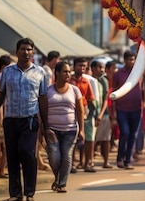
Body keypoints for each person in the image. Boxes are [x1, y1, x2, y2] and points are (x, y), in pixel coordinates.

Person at [0, 38, 48, 201]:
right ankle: (15, 193)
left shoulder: (40, 72)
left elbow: (43, 98)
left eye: (29, 49)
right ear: (17, 52)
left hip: (29, 119)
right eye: (23, 49)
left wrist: (45, 123)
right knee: (12, 155)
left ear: (33, 52)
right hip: (10, 118)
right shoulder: (7, 72)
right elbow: (1, 93)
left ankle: (30, 192)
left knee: (27, 152)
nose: (26, 52)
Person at [44, 61, 84, 192]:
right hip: (52, 130)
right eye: (65, 71)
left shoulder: (74, 90)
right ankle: (57, 177)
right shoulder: (48, 90)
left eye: (69, 71)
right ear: (57, 73)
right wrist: (43, 128)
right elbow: (42, 111)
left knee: (66, 157)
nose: (68, 74)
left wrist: (81, 130)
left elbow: (80, 110)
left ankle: (61, 183)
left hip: (70, 130)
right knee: (54, 158)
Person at [112, 50, 142, 170]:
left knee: (133, 135)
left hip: (136, 109)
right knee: (125, 133)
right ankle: (120, 158)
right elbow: (113, 91)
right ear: (124, 60)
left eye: (133, 59)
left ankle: (128, 161)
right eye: (129, 59)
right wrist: (113, 112)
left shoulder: (139, 73)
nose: (131, 61)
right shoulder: (118, 74)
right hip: (122, 109)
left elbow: (144, 89)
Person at [69, 57, 95, 172]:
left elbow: (90, 98)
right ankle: (72, 163)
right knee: (72, 139)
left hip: (84, 112)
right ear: (74, 66)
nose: (82, 68)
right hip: (71, 112)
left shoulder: (86, 81)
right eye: (80, 65)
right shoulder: (69, 80)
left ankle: (88, 163)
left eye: (84, 66)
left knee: (88, 138)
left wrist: (89, 112)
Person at [90, 60, 112, 168]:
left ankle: (106, 161)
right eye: (100, 67)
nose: (102, 70)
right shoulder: (88, 79)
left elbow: (105, 99)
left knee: (105, 139)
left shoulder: (104, 80)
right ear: (93, 68)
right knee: (91, 139)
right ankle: (89, 161)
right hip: (91, 113)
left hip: (104, 113)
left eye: (103, 67)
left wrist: (101, 114)